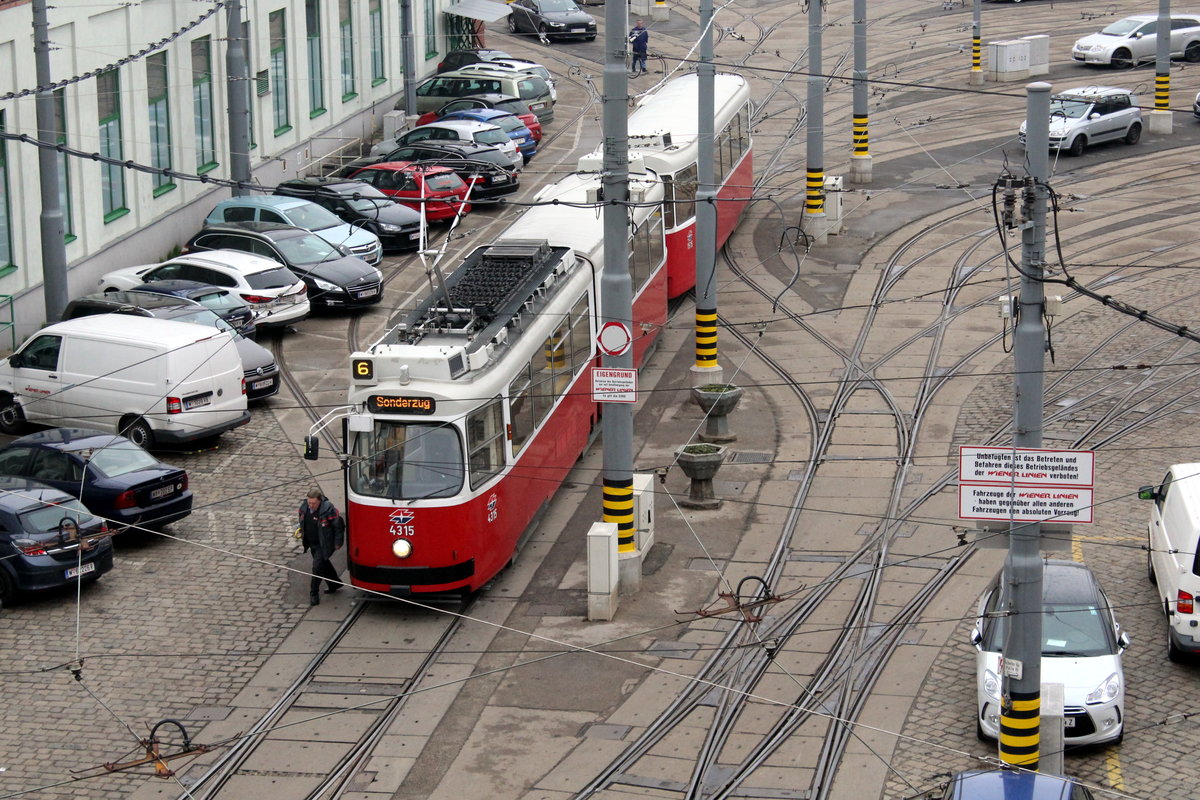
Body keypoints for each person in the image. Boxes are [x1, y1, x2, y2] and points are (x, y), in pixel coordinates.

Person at [298, 488, 346, 605]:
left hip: (323, 544)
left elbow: (338, 526)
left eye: (313, 503)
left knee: (317, 568)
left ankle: (314, 593)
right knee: (323, 563)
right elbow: (302, 521)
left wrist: (338, 542)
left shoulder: (328, 509)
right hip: (312, 542)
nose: (311, 505)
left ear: (319, 501)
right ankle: (334, 583)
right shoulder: (304, 508)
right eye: (309, 502)